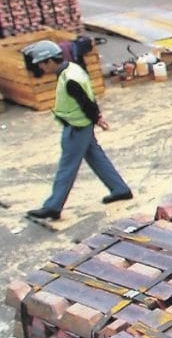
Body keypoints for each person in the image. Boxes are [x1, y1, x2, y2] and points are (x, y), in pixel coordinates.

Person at [23, 40, 133, 221]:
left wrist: (96, 118)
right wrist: (97, 118)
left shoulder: (69, 79)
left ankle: (53, 206)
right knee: (96, 157)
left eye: (42, 64)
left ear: (50, 61)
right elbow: (88, 97)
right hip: (82, 125)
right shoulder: (73, 69)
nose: (41, 68)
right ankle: (120, 189)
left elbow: (85, 102)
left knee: (67, 167)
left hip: (77, 127)